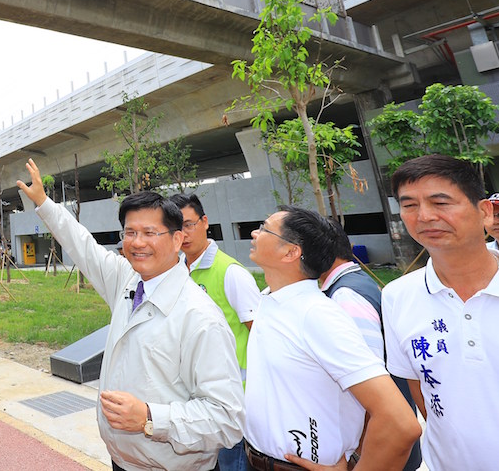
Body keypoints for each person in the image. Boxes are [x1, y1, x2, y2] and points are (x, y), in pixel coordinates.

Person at [17, 159, 243, 471]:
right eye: (130, 232)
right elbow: (83, 245)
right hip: (123, 463)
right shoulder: (127, 281)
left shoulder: (200, 317)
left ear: (177, 240)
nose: (137, 242)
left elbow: (227, 419)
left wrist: (150, 418)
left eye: (150, 232)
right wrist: (43, 203)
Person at [382, 155, 499, 469]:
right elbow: (421, 389)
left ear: (484, 211)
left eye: (441, 202)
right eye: (409, 205)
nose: (424, 216)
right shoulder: (397, 296)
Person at [245, 206, 420, 471]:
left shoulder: (317, 315)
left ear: (291, 252)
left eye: (264, 228)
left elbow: (400, 422)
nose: (254, 233)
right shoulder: (270, 300)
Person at [317, 220, 422, 471]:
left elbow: (365, 385)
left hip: (376, 453)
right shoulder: (352, 283)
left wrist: (359, 457)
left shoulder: (346, 296)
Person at [168, 193, 259, 471]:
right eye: (176, 228)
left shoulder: (231, 273)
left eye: (188, 225)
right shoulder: (177, 272)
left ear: (205, 221)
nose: (183, 235)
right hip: (195, 404)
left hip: (232, 404)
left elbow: (261, 336)